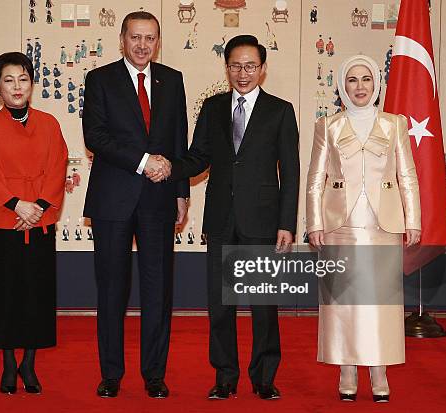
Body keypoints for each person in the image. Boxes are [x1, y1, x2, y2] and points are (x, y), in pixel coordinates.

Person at [149, 35, 300, 400]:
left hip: (263, 222)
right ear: (226, 67)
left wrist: (287, 224)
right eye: (235, 65)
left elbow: (291, 172)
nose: (242, 73)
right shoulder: (213, 108)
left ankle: (264, 377)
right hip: (220, 219)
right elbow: (198, 156)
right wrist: (170, 167)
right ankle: (225, 376)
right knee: (221, 306)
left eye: (250, 66)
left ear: (262, 69)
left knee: (264, 307)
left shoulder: (280, 110)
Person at [82, 11, 190, 399]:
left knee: (158, 290)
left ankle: (154, 374)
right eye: (135, 38)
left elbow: (179, 139)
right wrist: (144, 162)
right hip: (113, 198)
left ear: (157, 41)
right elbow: (95, 136)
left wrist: (181, 192)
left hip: (160, 200)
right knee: (111, 289)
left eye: (150, 38)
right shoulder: (100, 79)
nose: (142, 45)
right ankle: (111, 374)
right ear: (122, 39)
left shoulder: (173, 80)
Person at [306, 54, 421, 402]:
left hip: (382, 225)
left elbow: (407, 176)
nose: (360, 87)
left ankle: (379, 369)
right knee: (342, 300)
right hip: (338, 224)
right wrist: (313, 223)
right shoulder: (328, 125)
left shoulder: (395, 124)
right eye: (353, 80)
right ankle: (346, 367)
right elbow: (315, 178)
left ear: (376, 85)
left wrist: (412, 220)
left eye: (366, 79)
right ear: (342, 86)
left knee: (381, 302)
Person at [0, 52, 68, 395]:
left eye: (23, 79)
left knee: (37, 294)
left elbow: (58, 167)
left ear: (32, 84)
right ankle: (9, 364)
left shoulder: (50, 124)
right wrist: (18, 206)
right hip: (5, 223)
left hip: (39, 222)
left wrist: (38, 207)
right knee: (5, 294)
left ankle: (30, 362)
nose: (17, 86)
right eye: (8, 80)